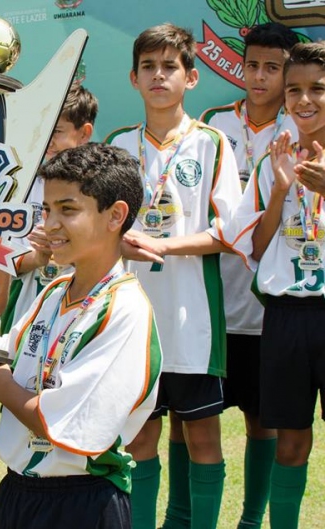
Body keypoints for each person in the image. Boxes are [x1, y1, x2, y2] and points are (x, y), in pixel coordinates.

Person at [0, 143, 161, 528]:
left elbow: (67, 422)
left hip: (83, 501)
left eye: (67, 210)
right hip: (19, 493)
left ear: (115, 216)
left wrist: (0, 385)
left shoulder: (124, 309)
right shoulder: (54, 293)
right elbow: (3, 353)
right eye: (47, 209)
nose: (50, 224)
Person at [105, 23, 242, 529]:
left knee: (203, 437)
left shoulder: (212, 144)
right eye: (149, 67)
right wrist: (119, 244)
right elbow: (101, 230)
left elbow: (230, 232)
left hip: (193, 321)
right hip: (133, 322)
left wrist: (161, 245)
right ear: (134, 78)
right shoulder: (119, 145)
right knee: (140, 438)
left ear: (191, 78)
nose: (159, 76)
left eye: (170, 67)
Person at [198, 22, 299, 529]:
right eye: (251, 65)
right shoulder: (213, 124)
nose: (258, 77)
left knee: (263, 423)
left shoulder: (300, 129)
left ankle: (250, 519)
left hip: (267, 310)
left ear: (287, 73)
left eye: (272, 68)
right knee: (193, 422)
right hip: (210, 303)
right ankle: (189, 518)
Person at [228, 41, 325, 529]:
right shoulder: (275, 160)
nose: (304, 101)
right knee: (290, 440)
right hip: (286, 316)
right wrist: (282, 188)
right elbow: (260, 247)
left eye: (317, 89)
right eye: (295, 91)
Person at [0, 83, 98, 335]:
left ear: (84, 133)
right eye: (41, 128)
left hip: (82, 314)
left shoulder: (101, 185)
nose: (46, 139)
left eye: (56, 131)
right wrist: (37, 257)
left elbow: (111, 254)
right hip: (25, 311)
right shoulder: (18, 182)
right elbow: (2, 259)